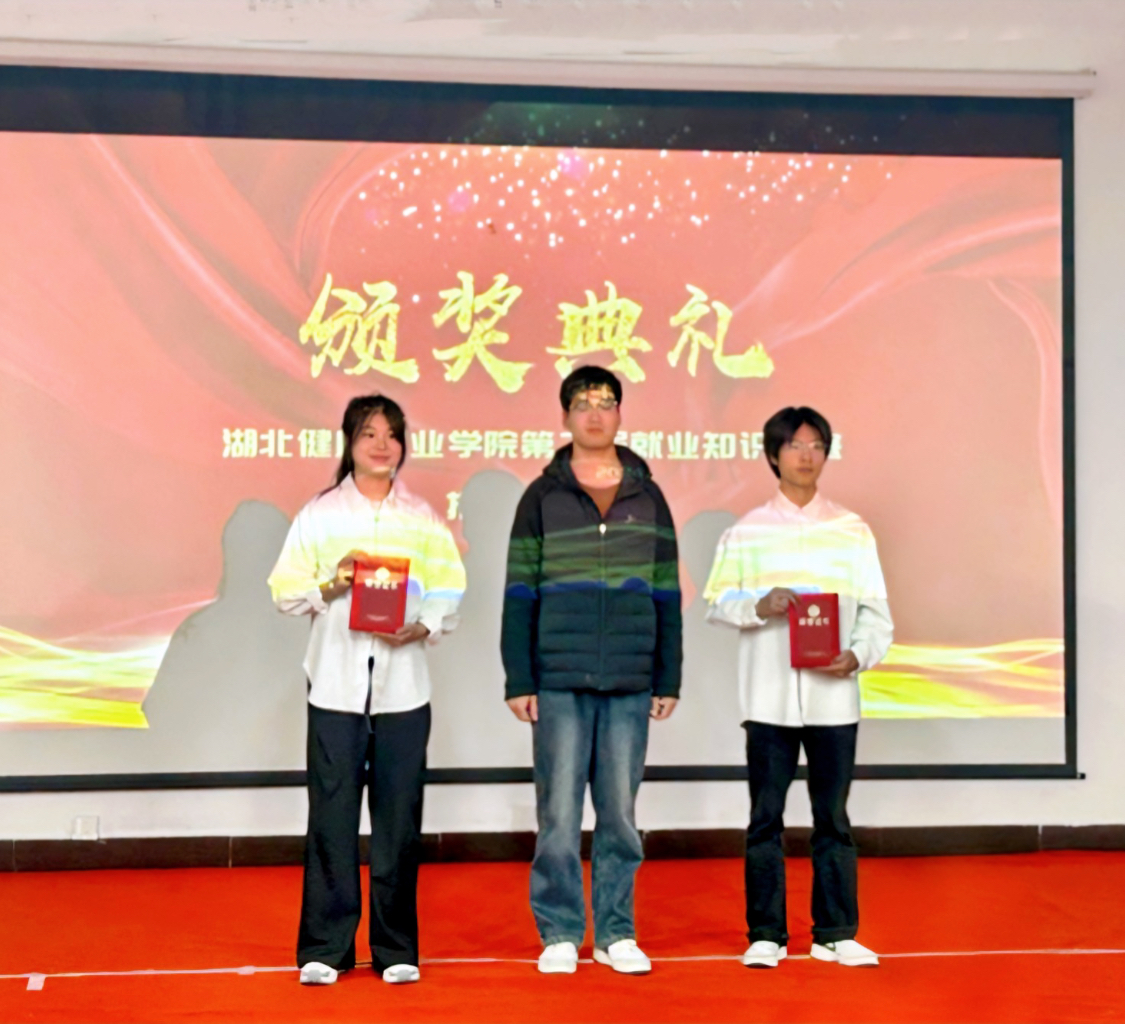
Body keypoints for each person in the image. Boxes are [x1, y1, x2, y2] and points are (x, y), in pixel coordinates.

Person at [270, 394, 466, 987]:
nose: (382, 445)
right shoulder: (321, 514)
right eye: (369, 434)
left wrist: (424, 625)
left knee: (398, 821)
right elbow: (283, 592)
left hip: (404, 688)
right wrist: (334, 583)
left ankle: (395, 947)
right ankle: (325, 948)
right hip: (335, 686)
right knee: (331, 819)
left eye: (391, 434)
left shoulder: (422, 518)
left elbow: (449, 589)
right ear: (349, 442)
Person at [502, 364, 683, 977]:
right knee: (557, 815)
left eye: (606, 401)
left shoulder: (647, 496)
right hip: (558, 678)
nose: (595, 413)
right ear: (565, 416)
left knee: (620, 814)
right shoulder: (542, 496)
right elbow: (519, 592)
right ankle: (558, 931)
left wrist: (668, 677)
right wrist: (519, 678)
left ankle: (616, 932)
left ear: (620, 414)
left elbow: (667, 593)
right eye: (583, 402)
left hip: (630, 680)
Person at [701, 407, 894, 970]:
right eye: (795, 446)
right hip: (769, 698)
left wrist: (857, 654)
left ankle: (835, 932)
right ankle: (766, 933)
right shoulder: (748, 531)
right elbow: (717, 603)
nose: (806, 456)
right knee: (765, 818)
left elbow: (877, 615)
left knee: (833, 818)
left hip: (834, 698)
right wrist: (758, 605)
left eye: (816, 445)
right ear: (773, 455)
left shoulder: (851, 530)